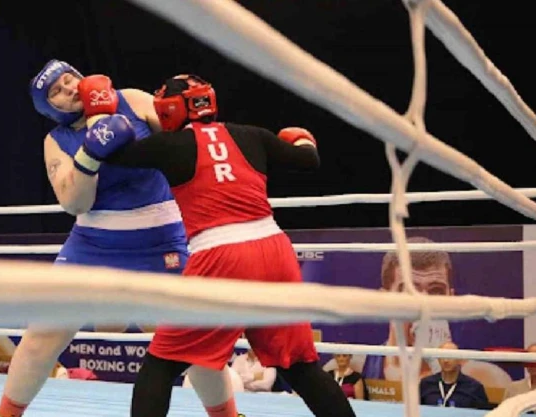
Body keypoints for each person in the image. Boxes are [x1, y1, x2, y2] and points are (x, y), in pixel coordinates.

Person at [82, 74, 356, 417]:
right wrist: (301, 138)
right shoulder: (251, 134)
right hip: (274, 250)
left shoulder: (170, 145)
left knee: (161, 365)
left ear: (170, 109)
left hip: (221, 256)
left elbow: (111, 153)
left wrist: (100, 116)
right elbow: (308, 159)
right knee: (300, 366)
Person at [0, 60, 189, 417]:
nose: (68, 89)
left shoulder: (131, 100)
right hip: (93, 244)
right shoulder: (56, 142)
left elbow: (185, 145)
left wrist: (181, 110)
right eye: (56, 91)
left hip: (160, 238)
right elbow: (75, 203)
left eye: (69, 80)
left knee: (192, 340)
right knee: (41, 337)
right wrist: (90, 152)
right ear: (49, 109)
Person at [361, 237, 512, 390]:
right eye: (409, 291)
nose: (424, 306)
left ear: (450, 299)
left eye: (436, 291)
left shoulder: (488, 379)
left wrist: (438, 364)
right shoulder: (359, 366)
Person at [419, 341, 489, 409]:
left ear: (460, 359)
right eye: (442, 356)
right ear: (438, 359)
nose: (446, 360)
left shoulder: (474, 387)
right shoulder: (426, 384)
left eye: (450, 356)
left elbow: (484, 413)